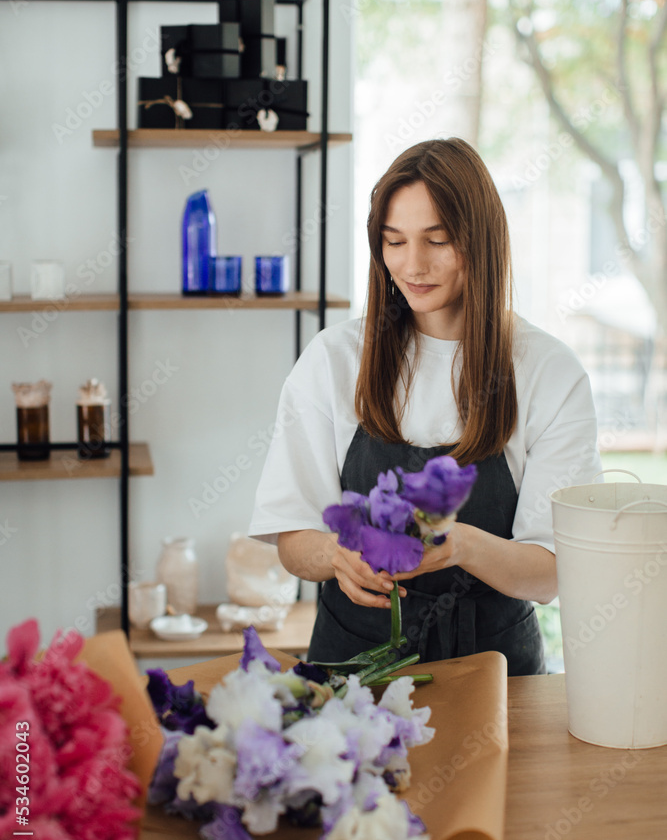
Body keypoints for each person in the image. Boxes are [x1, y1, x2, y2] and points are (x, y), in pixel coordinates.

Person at [248, 138, 600, 675]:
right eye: (394, 242)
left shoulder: (549, 372)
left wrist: (458, 545)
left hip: (498, 676)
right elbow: (292, 536)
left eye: (437, 241)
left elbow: (551, 573)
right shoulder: (333, 360)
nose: (412, 265)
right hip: (353, 669)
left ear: (481, 242)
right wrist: (335, 556)